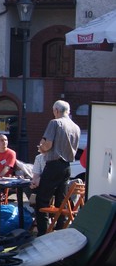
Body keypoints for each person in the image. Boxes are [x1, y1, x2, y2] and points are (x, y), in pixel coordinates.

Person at [34, 99, 81, 234]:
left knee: (42, 200)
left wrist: (42, 149)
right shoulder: (76, 127)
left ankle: (42, 233)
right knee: (61, 202)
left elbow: (48, 144)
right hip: (67, 167)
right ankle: (60, 231)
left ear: (56, 110)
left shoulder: (55, 123)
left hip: (53, 164)